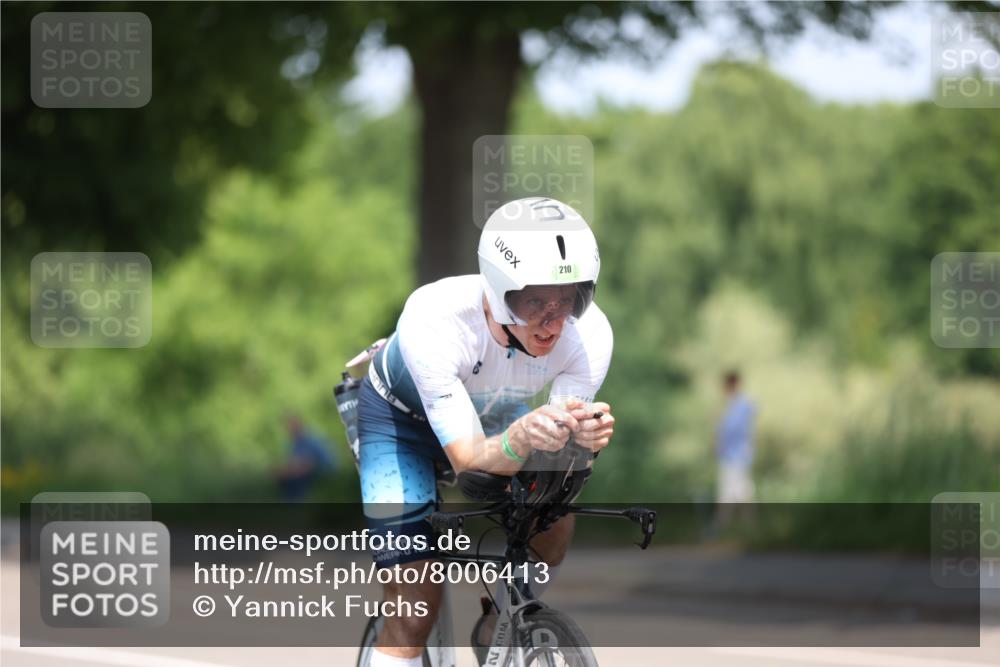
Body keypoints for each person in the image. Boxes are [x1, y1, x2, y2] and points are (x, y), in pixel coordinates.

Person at [357, 197, 614, 667]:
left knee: (554, 524)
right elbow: (469, 459)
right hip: (401, 426)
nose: (554, 320)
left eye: (571, 297)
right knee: (415, 606)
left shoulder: (590, 335)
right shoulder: (435, 318)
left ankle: (502, 621)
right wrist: (522, 438)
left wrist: (583, 438)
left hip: (494, 414)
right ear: (498, 291)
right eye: (535, 300)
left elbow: (557, 448)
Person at [715, 371, 756, 525]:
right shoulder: (732, 406)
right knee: (731, 493)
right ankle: (729, 526)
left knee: (737, 494)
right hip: (731, 456)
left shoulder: (742, 405)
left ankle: (728, 527)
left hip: (737, 457)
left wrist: (719, 423)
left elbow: (732, 430)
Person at [273, 414, 336, 502]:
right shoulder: (295, 444)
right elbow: (293, 464)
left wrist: (286, 472)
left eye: (291, 425)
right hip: (308, 478)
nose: (289, 429)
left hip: (322, 478)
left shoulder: (311, 440)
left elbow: (306, 466)